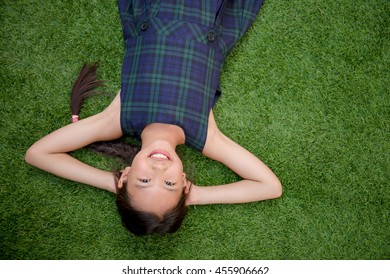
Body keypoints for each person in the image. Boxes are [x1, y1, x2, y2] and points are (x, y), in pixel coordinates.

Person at [25, 0, 282, 236]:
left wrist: (112, 183)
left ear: (125, 175)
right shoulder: (205, 135)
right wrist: (196, 196)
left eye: (144, 180)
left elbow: (38, 154)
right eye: (169, 184)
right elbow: (269, 186)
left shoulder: (117, 118)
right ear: (184, 183)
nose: (159, 169)